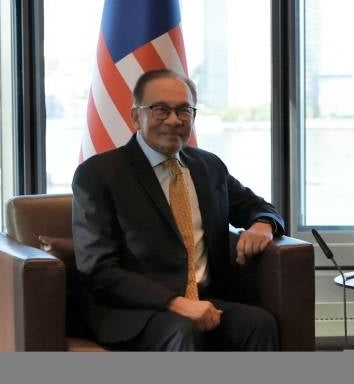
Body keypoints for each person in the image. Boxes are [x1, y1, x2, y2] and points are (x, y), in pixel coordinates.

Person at [71, 69, 285, 351]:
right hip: (134, 312)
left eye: (184, 110)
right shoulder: (99, 174)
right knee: (182, 330)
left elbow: (260, 208)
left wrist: (263, 225)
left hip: (207, 300)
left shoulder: (208, 167)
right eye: (160, 110)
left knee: (258, 323)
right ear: (136, 116)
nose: (174, 120)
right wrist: (174, 303)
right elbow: (97, 269)